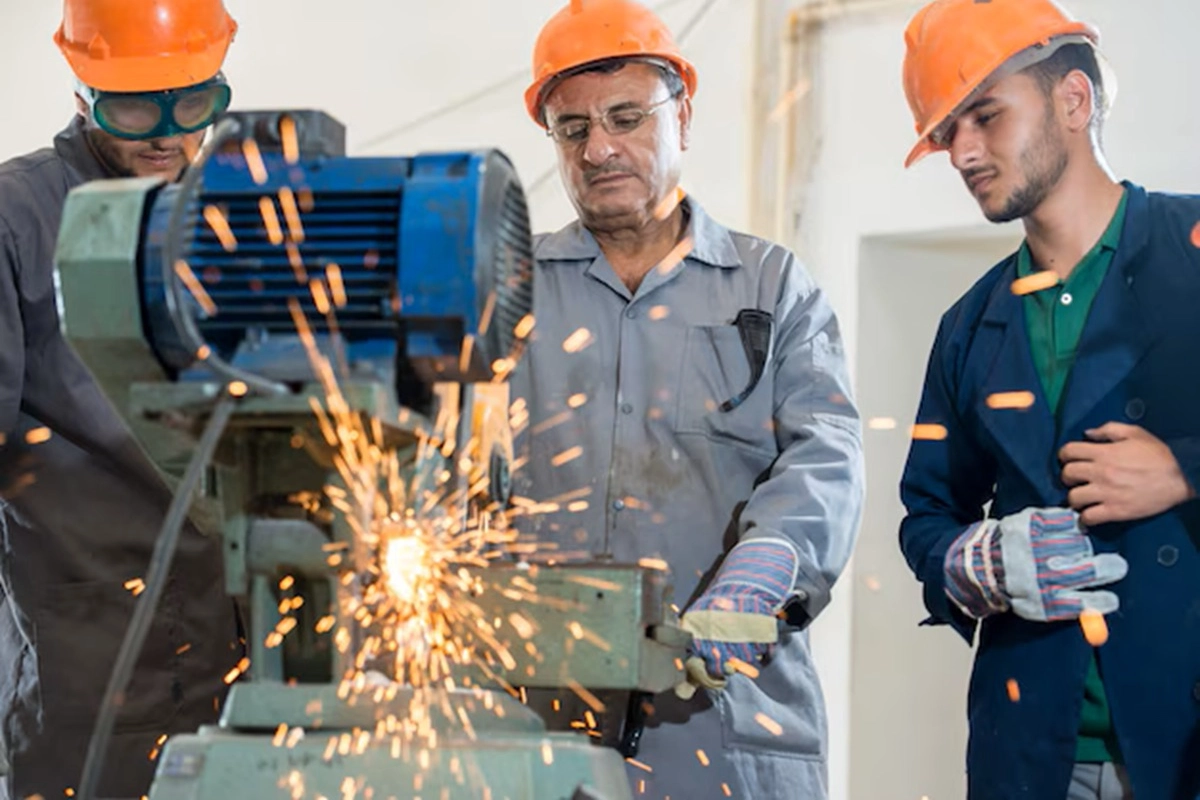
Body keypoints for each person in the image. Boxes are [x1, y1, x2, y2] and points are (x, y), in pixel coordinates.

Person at [509, 0, 864, 796]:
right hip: (542, 736)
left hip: (729, 731)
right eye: (572, 130)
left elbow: (828, 453)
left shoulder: (772, 289)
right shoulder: (510, 295)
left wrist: (775, 559)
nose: (599, 147)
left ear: (683, 118)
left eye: (626, 117)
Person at [896, 1, 1200, 798]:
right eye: (945, 133)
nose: (962, 152)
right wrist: (971, 564)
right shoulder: (969, 326)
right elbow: (927, 514)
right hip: (1031, 752)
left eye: (984, 117)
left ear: (1074, 100)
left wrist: (1186, 470)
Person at [0, 1, 243, 795]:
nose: (166, 133)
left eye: (192, 104)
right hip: (87, 659)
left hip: (231, 650)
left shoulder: (239, 208)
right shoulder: (18, 218)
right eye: (136, 106)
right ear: (82, 87)